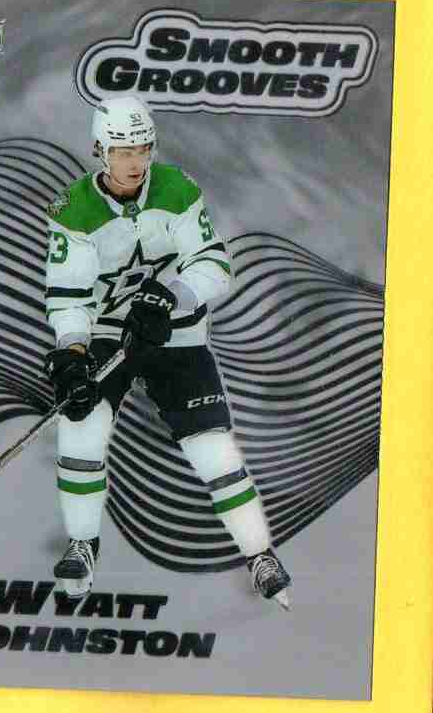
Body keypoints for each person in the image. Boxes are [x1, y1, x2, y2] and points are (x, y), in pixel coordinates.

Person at [44, 95, 291, 609]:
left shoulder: (177, 188)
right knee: (80, 431)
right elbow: (69, 298)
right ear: (99, 151)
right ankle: (82, 544)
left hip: (177, 331)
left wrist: (172, 295)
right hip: (109, 334)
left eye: (142, 148)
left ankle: (260, 553)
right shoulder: (74, 210)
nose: (134, 161)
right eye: (122, 150)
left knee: (212, 448)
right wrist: (72, 353)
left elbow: (213, 265)